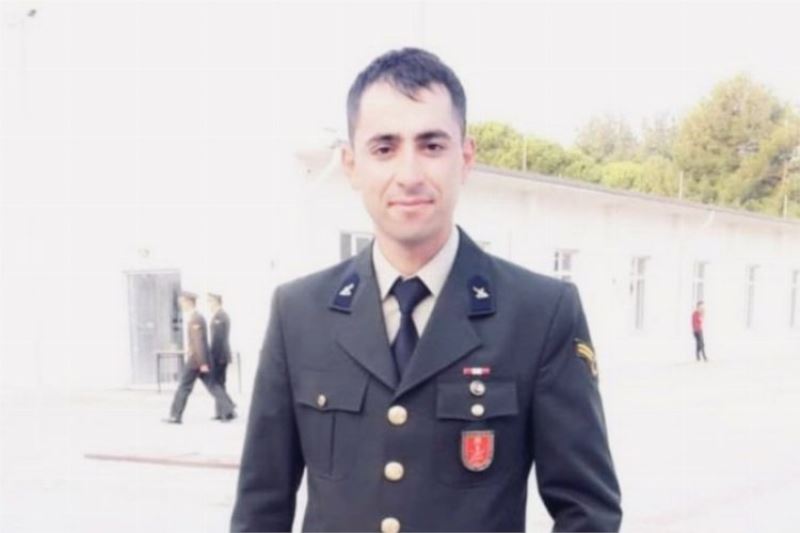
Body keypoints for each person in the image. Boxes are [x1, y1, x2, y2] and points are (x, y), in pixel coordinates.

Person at [231, 48, 622, 532]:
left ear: (466, 157)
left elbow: (588, 511)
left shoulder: (539, 314)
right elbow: (261, 508)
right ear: (351, 164)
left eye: (432, 146)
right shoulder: (299, 314)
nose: (410, 175)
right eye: (384, 148)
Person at [163, 291, 236, 424]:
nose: (181, 305)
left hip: (195, 360)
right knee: (212, 385)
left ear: (189, 302)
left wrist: (202, 363)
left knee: (184, 386)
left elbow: (199, 342)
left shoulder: (196, 319)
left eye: (182, 302)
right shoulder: (196, 317)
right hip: (199, 359)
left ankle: (175, 416)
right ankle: (228, 407)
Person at [208, 292, 234, 419]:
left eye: (210, 301)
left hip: (219, 355)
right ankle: (222, 412)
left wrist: (212, 356)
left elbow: (217, 339)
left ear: (216, 302)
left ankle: (227, 409)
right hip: (221, 355)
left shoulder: (220, 316)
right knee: (219, 383)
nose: (208, 304)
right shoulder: (219, 316)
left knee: (216, 383)